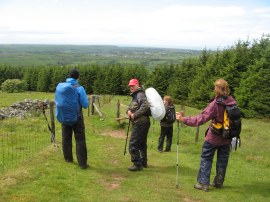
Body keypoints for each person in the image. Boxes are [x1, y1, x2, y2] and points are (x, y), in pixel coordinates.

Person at [176, 78, 236, 192]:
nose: (214, 89)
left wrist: (184, 119)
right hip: (227, 137)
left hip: (213, 137)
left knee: (206, 158)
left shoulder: (215, 104)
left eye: (215, 87)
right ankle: (218, 182)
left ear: (218, 89)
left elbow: (200, 119)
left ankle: (204, 183)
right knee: (223, 160)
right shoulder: (232, 101)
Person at [61, 68, 89, 169]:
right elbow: (85, 105)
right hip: (77, 118)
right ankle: (82, 163)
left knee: (66, 138)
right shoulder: (79, 88)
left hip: (65, 117)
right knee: (80, 140)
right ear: (78, 77)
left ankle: (68, 159)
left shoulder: (63, 87)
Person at [127, 78, 151, 171]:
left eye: (133, 85)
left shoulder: (140, 94)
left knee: (133, 143)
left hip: (140, 123)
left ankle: (137, 164)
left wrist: (134, 114)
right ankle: (143, 162)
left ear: (137, 85)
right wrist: (128, 111)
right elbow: (132, 106)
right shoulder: (135, 95)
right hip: (143, 122)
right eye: (130, 86)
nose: (131, 87)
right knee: (142, 143)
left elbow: (145, 106)